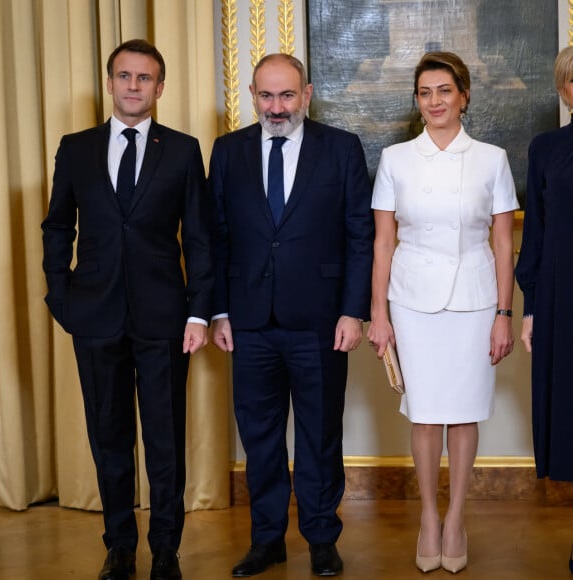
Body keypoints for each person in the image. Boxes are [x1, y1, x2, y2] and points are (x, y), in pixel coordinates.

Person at [41, 39, 213, 580]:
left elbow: (201, 239)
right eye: (124, 76)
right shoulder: (75, 148)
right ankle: (119, 545)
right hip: (93, 317)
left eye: (144, 78)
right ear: (110, 82)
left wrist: (198, 312)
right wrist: (60, 296)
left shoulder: (183, 151)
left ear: (160, 88)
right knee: (108, 436)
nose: (133, 86)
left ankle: (165, 547)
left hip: (164, 319)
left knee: (164, 439)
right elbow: (56, 227)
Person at [209, 53, 374, 577]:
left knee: (320, 435)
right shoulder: (228, 150)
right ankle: (266, 540)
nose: (276, 107)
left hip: (321, 321)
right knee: (259, 437)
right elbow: (215, 237)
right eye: (266, 96)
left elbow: (360, 238)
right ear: (253, 96)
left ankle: (322, 538)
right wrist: (217, 310)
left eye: (286, 96)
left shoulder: (342, 149)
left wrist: (353, 312)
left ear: (306, 95)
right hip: (249, 321)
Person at [367, 51, 518, 574]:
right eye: (425, 92)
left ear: (464, 95)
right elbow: (383, 244)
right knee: (426, 412)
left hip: (476, 300)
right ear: (417, 100)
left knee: (465, 409)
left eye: (445, 91)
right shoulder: (395, 159)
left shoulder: (492, 158)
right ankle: (429, 517)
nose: (435, 101)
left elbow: (503, 242)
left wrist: (504, 311)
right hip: (411, 301)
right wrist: (378, 314)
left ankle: (457, 517)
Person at [516, 45, 573, 575]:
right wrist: (530, 307)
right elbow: (532, 236)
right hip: (562, 303)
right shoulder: (546, 150)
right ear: (563, 87)